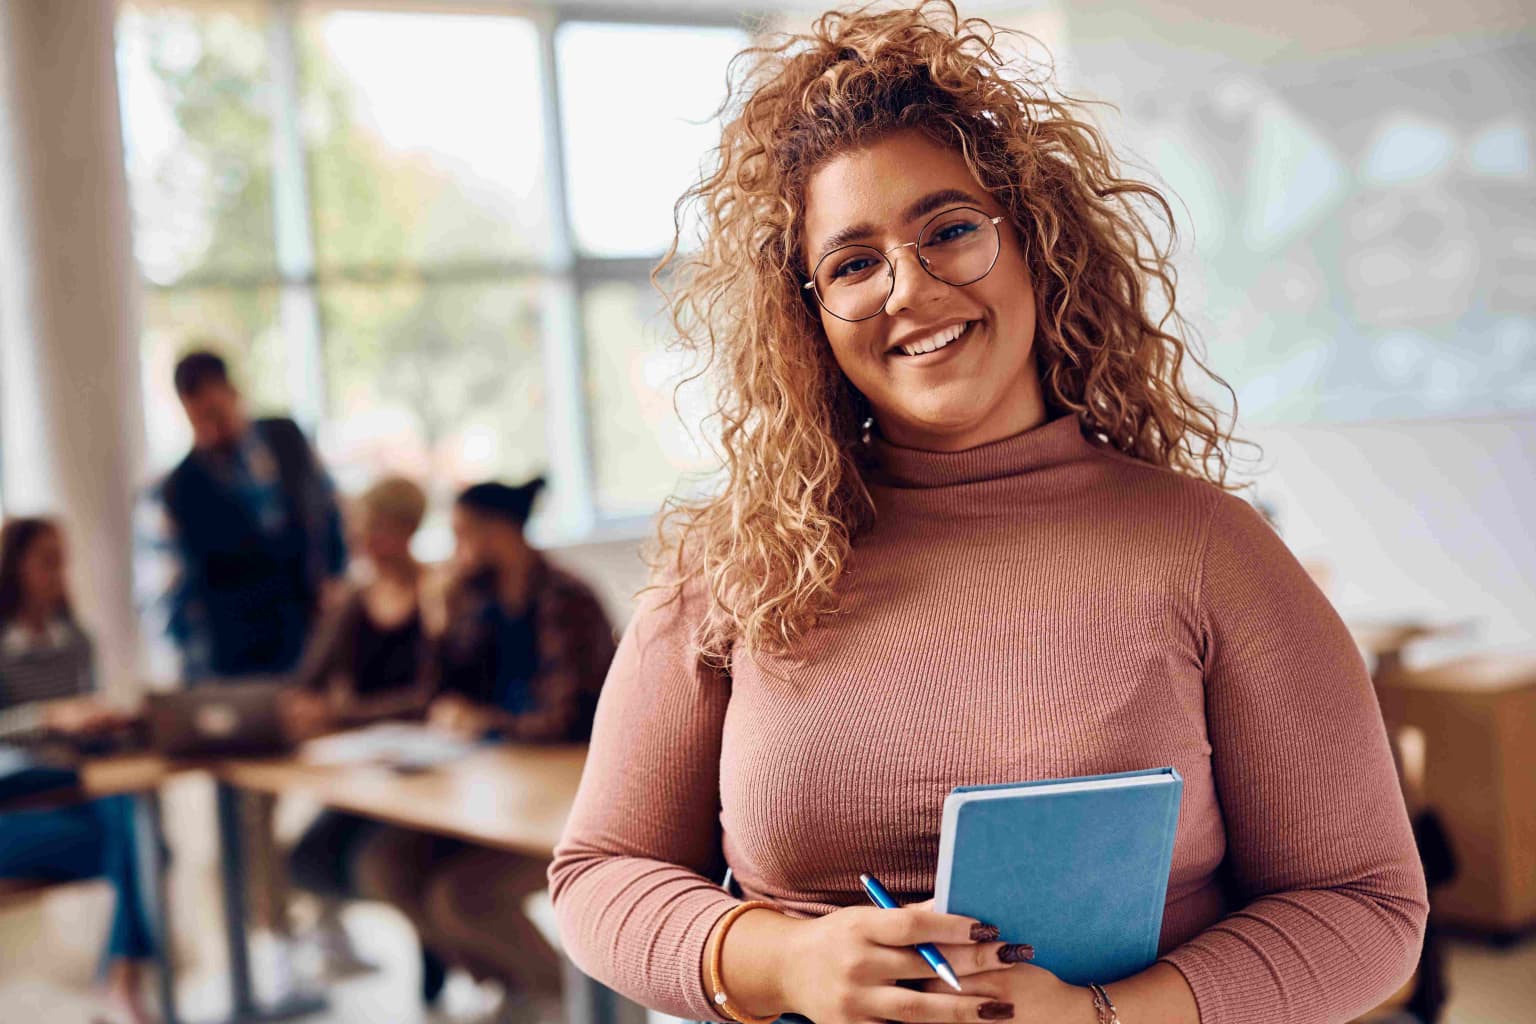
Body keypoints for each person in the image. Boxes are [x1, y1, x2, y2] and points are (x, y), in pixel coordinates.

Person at [548, 6, 1427, 1024]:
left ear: (1036, 245)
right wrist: (782, 960)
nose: (909, 288)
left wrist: (1107, 1016)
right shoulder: (733, 562)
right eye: (853, 262)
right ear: (808, 314)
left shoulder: (1207, 549)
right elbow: (601, 873)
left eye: (949, 230)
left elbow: (1366, 906)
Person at [350, 477, 617, 1020]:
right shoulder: (480, 600)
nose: (456, 551)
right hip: (502, 790)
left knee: (461, 897)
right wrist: (438, 620)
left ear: (501, 534)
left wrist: (484, 721)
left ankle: (582, 1007)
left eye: (463, 536)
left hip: (573, 803)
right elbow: (440, 695)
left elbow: (567, 721)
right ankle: (515, 987)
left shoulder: (568, 601)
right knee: (383, 864)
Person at [141, 347, 348, 989]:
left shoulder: (286, 440)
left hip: (309, 652)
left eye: (218, 405)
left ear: (235, 392)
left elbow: (329, 516)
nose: (213, 422)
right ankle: (277, 939)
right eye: (197, 414)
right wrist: (203, 696)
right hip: (239, 671)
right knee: (252, 811)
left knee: (345, 783)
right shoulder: (179, 488)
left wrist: (338, 596)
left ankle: (329, 917)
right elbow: (172, 597)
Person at [0, 518, 155, 1024]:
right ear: (15, 566)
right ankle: (122, 984)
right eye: (45, 560)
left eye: (61, 559)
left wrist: (101, 722)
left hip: (74, 795)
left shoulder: (75, 638)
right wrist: (47, 718)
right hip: (14, 809)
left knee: (133, 825)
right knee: (142, 846)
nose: (56, 572)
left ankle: (121, 982)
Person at [281, 475, 437, 977]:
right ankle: (433, 933)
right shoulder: (353, 599)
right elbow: (310, 679)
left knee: (386, 862)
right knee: (308, 858)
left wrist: (340, 715)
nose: (358, 541)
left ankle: (442, 943)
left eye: (371, 529)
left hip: (432, 769)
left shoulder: (439, 592)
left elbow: (431, 698)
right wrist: (300, 710)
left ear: (407, 529)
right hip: (367, 768)